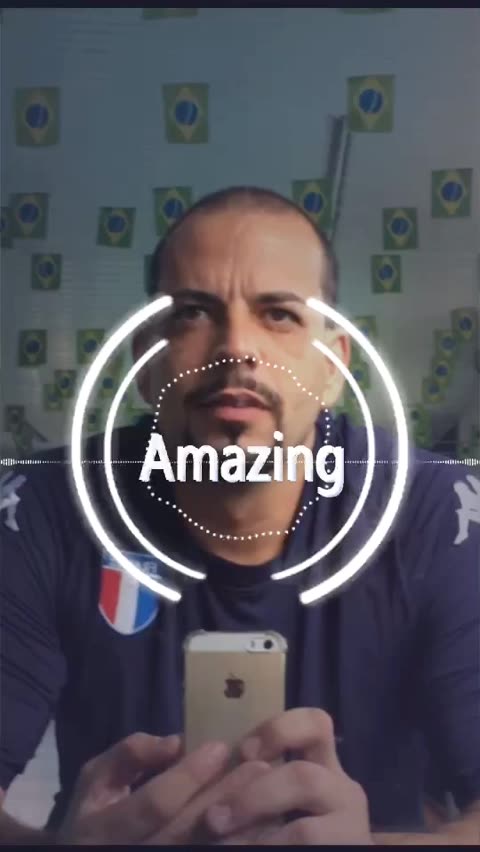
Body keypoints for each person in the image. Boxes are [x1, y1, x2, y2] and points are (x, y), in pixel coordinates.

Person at [1, 186, 479, 845]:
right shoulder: (44, 504)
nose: (234, 349)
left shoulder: (438, 511)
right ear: (146, 364)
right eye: (194, 313)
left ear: (333, 369)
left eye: (279, 315)